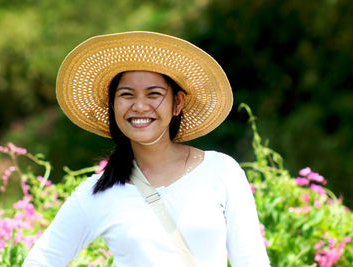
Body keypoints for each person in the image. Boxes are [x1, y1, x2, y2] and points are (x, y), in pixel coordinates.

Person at [23, 31, 270, 266]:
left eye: (154, 94)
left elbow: (252, 262)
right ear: (113, 104)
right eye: (127, 95)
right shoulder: (98, 193)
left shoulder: (221, 171)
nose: (140, 106)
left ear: (178, 102)